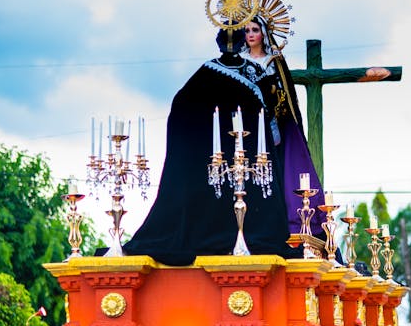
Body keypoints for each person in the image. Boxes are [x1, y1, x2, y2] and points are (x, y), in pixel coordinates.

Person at [124, 27, 291, 265]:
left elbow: (182, 108)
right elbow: (185, 109)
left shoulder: (221, 73)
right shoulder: (235, 74)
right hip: (226, 163)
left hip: (232, 164)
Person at [241, 16, 326, 235]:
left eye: (255, 29)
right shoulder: (239, 62)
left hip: (273, 128)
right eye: (247, 30)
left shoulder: (273, 62)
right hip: (246, 129)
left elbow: (284, 96)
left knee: (275, 174)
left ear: (264, 34)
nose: (250, 34)